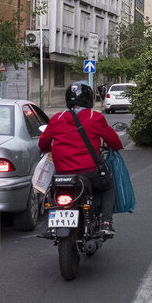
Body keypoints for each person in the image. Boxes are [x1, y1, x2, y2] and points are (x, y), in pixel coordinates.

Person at [38, 81, 123, 235]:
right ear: (89, 99)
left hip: (63, 173)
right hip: (90, 172)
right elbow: (114, 141)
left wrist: (50, 149)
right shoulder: (94, 117)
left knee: (53, 191)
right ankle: (106, 222)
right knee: (108, 187)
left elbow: (43, 144)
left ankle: (52, 225)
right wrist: (114, 146)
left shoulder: (57, 118)